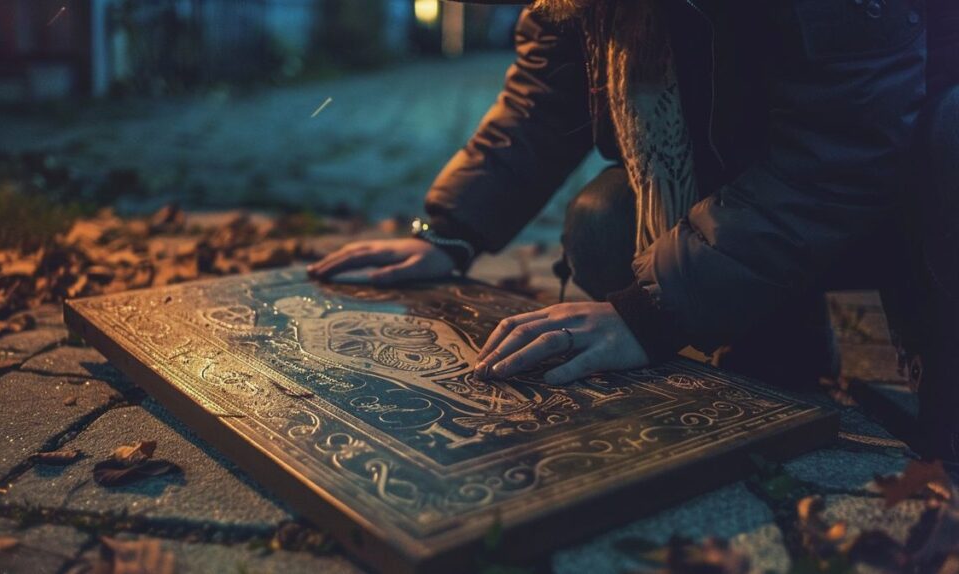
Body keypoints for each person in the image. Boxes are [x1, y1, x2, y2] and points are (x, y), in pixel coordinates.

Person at [309, 0, 959, 460]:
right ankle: (782, 334)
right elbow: (543, 95)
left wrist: (648, 313)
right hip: (764, 185)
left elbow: (842, 152)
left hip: (902, 189)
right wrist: (446, 231)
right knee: (605, 225)